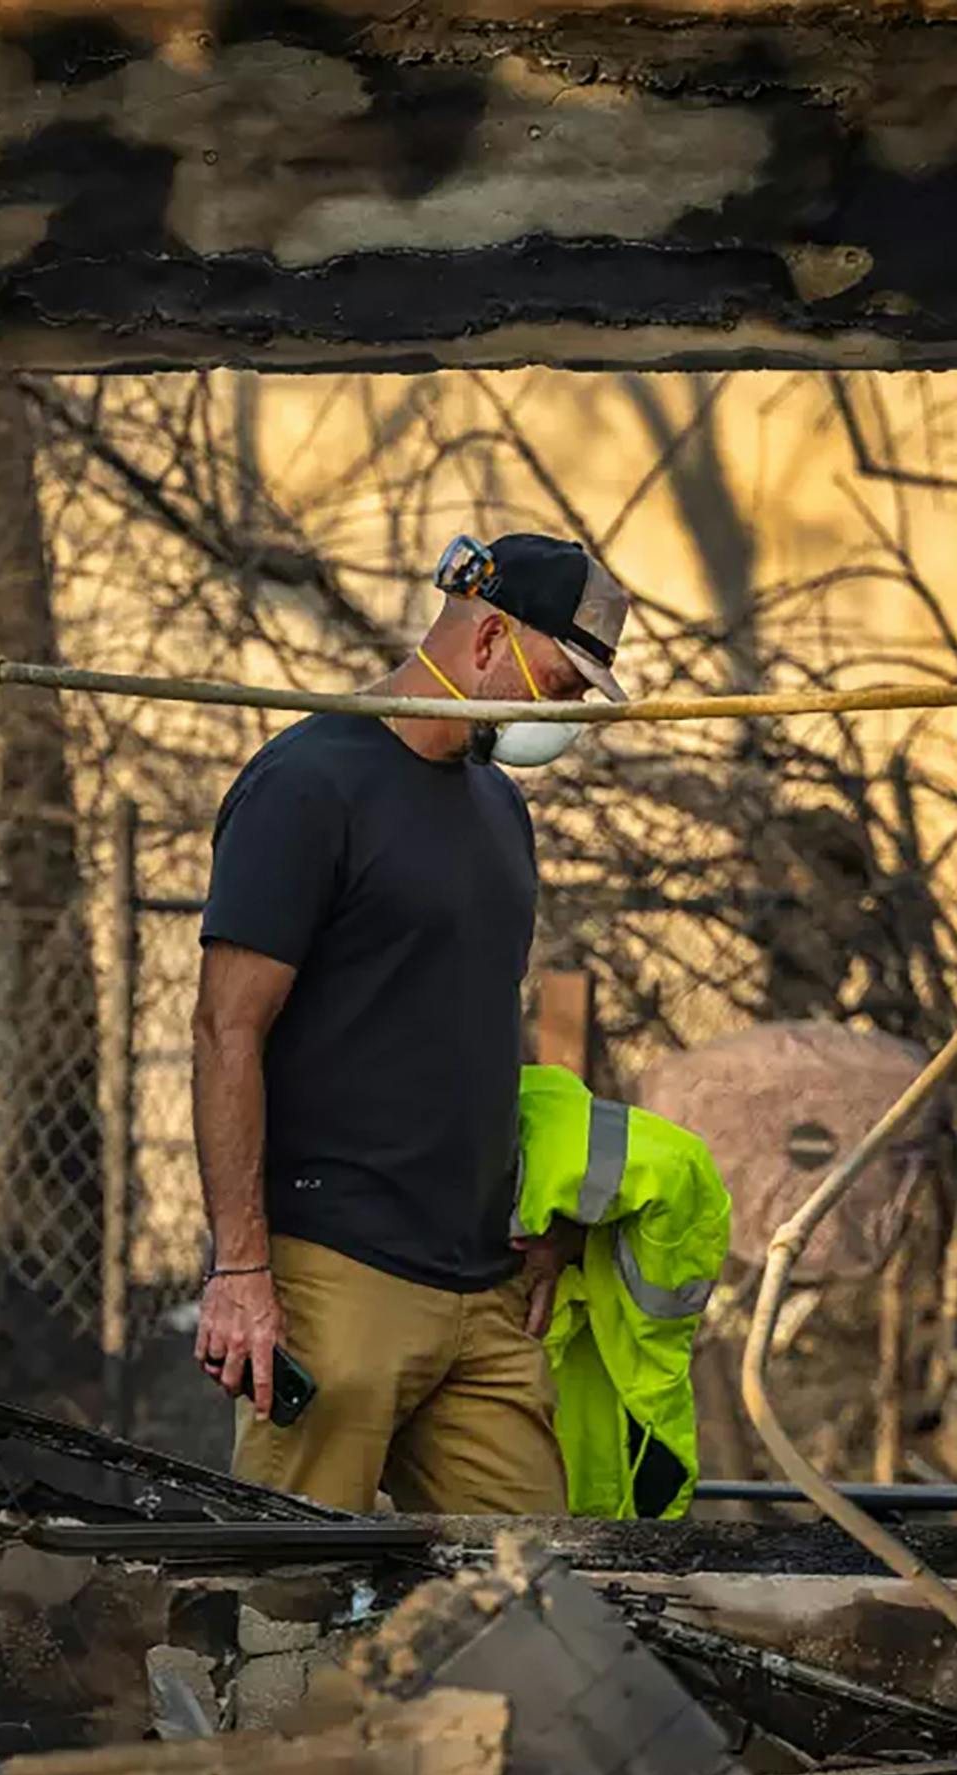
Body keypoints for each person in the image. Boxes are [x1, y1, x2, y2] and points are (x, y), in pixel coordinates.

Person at [190, 531, 632, 1513]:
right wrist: (242, 1267)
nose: (560, 716)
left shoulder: (498, 812)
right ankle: (261, 1676)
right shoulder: (309, 782)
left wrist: (540, 1221)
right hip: (336, 1276)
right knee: (285, 1597)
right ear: (486, 643)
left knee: (538, 1598)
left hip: (483, 1288)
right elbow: (226, 1030)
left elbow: (476, 1035)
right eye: (558, 686)